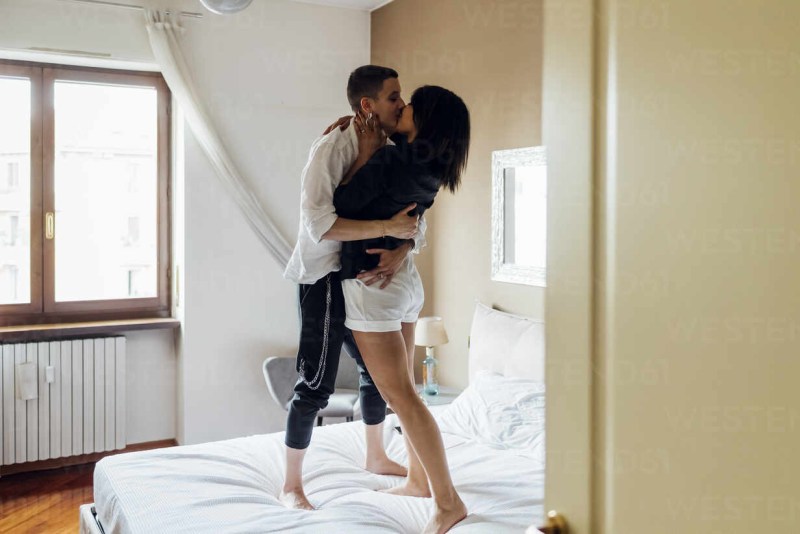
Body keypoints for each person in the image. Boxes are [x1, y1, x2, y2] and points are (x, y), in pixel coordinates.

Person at [281, 65, 427, 510]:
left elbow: (416, 219)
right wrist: (387, 228)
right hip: (324, 277)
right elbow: (320, 224)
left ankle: (375, 455)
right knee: (316, 383)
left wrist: (403, 248)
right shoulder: (332, 147)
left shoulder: (395, 151)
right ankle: (291, 485)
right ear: (368, 104)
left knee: (377, 375)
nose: (401, 104)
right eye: (393, 96)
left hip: (364, 278)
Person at [333, 85, 471, 534]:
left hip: (373, 283)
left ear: (424, 121)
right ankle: (418, 480)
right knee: (407, 390)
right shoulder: (431, 169)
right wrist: (405, 244)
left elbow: (340, 206)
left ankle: (448, 502)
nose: (402, 108)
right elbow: (411, 220)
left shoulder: (393, 161)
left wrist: (366, 152)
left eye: (409, 105)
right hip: (404, 281)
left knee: (402, 398)